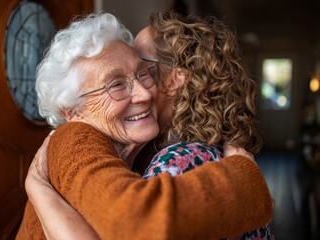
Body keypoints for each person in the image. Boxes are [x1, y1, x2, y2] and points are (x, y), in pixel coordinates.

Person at [16, 12, 273, 240]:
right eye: (115, 85)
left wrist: (37, 188)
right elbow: (135, 221)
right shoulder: (75, 138)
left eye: (144, 73)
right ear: (73, 111)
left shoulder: (145, 149)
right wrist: (243, 176)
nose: (145, 94)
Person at [134, 11, 273, 239]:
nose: (132, 76)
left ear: (174, 80)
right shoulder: (211, 152)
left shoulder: (177, 163)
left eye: (141, 66)